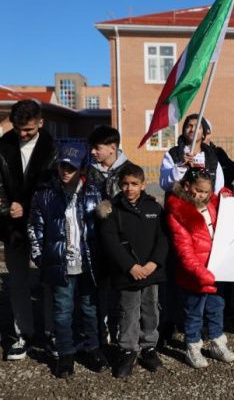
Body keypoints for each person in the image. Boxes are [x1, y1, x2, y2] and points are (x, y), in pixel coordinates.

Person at [27, 143, 108, 378]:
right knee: (62, 310)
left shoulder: (94, 191)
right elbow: (35, 227)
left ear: (82, 168)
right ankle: (65, 354)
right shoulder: (45, 193)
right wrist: (41, 257)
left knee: (90, 308)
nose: (65, 172)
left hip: (88, 262)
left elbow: (103, 228)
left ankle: (92, 348)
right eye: (62, 166)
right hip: (59, 262)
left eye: (71, 168)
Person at [98, 164, 169, 377]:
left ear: (143, 184)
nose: (130, 188)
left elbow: (163, 238)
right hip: (127, 273)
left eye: (134, 184)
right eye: (125, 184)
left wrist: (153, 263)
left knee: (151, 309)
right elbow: (110, 241)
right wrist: (130, 266)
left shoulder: (154, 208)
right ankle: (128, 349)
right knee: (128, 311)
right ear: (120, 185)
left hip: (151, 271)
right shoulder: (112, 209)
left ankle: (149, 347)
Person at [0, 99, 57, 360]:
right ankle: (23, 333)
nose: (22, 134)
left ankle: (51, 332)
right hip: (12, 226)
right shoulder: (3, 146)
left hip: (45, 226)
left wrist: (27, 206)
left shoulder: (53, 149)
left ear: (41, 123)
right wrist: (6, 209)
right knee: (18, 282)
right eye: (18, 128)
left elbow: (55, 190)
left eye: (29, 130)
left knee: (49, 281)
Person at [166, 167, 234, 368]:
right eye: (199, 190)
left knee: (216, 308)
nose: (203, 195)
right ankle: (193, 346)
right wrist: (200, 273)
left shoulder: (213, 204)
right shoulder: (179, 212)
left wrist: (226, 198)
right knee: (194, 311)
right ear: (187, 186)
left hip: (216, 269)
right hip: (194, 274)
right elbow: (184, 250)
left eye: (207, 192)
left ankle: (217, 342)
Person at [87, 125, 134, 346]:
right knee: (99, 289)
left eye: (97, 148)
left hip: (122, 244)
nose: (93, 152)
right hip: (94, 242)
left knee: (122, 290)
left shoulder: (131, 171)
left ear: (112, 148)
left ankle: (122, 333)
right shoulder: (87, 172)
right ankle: (100, 332)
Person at [160, 114, 224, 193]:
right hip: (180, 203)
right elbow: (164, 184)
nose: (193, 129)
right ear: (183, 131)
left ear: (204, 134)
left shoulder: (211, 158)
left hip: (204, 205)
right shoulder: (173, 154)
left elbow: (218, 189)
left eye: (198, 127)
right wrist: (181, 167)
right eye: (189, 126)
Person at [202, 120, 234, 191]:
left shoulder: (218, 153)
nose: (205, 137)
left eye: (208, 133)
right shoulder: (188, 154)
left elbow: (231, 171)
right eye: (203, 133)